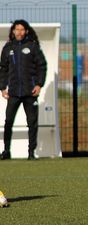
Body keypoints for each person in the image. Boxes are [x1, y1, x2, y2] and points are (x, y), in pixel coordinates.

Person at [0, 19, 47, 160]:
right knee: (8, 121)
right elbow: (3, 69)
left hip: (30, 92)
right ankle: (6, 151)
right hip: (13, 93)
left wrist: (39, 84)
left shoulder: (32, 47)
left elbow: (42, 66)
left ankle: (31, 153)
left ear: (26, 31)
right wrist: (2, 87)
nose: (19, 32)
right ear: (13, 31)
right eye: (16, 29)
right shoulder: (8, 48)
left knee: (32, 122)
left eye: (22, 29)